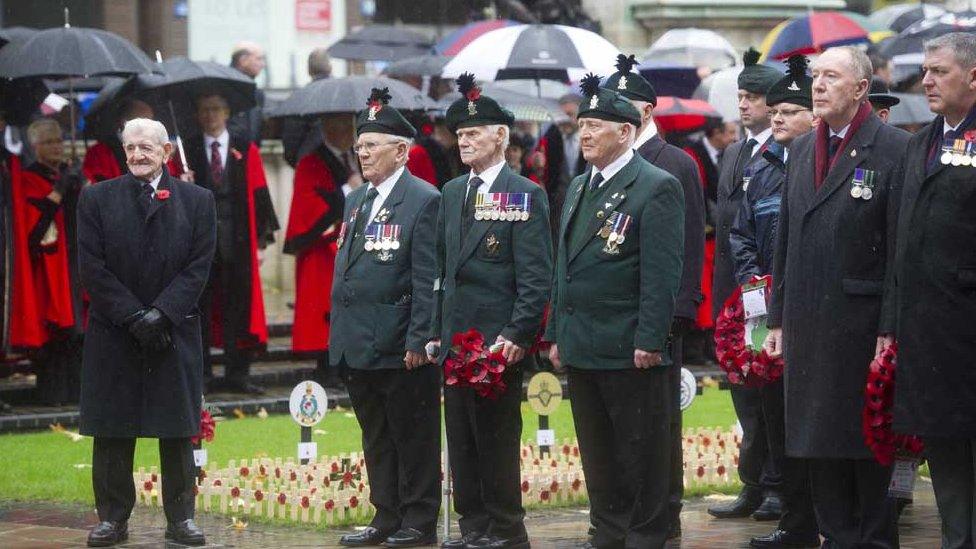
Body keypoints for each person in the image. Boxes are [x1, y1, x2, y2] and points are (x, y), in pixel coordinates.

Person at [763, 46, 910, 549]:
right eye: (816, 76)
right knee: (817, 444)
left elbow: (899, 252)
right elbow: (786, 240)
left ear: (861, 88)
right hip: (807, 323)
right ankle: (837, 536)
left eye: (831, 76)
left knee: (865, 447)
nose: (818, 86)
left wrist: (890, 328)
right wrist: (777, 320)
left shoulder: (893, 148)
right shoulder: (803, 148)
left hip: (861, 325)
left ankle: (873, 540)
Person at [546, 74, 684, 549]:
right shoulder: (579, 187)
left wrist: (651, 337)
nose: (584, 133)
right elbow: (563, 266)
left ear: (625, 132)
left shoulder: (655, 186)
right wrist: (556, 332)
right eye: (582, 124)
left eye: (596, 125)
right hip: (583, 340)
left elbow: (661, 273)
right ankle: (607, 529)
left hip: (628, 342)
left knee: (639, 448)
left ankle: (646, 532)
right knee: (598, 449)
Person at [77, 118, 216, 547]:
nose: (137, 155)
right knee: (113, 430)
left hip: (172, 331)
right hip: (115, 332)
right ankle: (112, 519)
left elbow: (198, 267)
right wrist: (135, 316)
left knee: (176, 429)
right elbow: (91, 268)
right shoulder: (97, 198)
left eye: (146, 148)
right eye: (130, 147)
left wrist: (162, 313)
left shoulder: (197, 200)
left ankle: (181, 519)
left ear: (166, 153)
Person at [430, 73, 552, 549]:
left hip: (497, 342)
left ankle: (505, 528)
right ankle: (472, 525)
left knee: (497, 440)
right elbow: (443, 268)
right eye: (459, 134)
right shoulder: (452, 192)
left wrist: (517, 335)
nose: (464, 140)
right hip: (456, 338)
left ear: (500, 136)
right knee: (461, 439)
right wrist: (436, 329)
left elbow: (535, 277)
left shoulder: (525, 193)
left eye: (474, 133)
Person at [329, 88, 441, 548]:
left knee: (411, 436)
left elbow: (428, 277)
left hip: (400, 343)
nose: (362, 152)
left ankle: (418, 520)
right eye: (360, 145)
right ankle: (386, 515)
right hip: (358, 341)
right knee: (376, 435)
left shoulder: (423, 199)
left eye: (372, 145)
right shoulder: (357, 200)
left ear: (401, 150)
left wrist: (421, 338)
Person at [602, 54, 705, 540]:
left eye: (625, 104)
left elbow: (686, 243)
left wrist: (680, 310)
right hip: (616, 310)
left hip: (659, 312)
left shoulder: (675, 162)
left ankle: (664, 510)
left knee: (659, 421)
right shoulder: (607, 163)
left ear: (646, 112)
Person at [728, 54, 820, 549]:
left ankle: (821, 517)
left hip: (809, 314)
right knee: (773, 415)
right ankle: (793, 517)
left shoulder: (818, 165)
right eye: (776, 111)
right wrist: (752, 286)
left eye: (789, 111)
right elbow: (740, 232)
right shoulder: (761, 167)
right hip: (766, 312)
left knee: (809, 421)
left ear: (813, 117)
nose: (778, 119)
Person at [890, 32, 976, 549]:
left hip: (968, 323)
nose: (925, 81)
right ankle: (957, 538)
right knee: (943, 444)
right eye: (924, 70)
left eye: (939, 71)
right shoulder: (920, 140)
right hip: (928, 330)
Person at [708, 47, 784, 523]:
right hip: (734, 293)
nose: (744, 105)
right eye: (741, 96)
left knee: (772, 394)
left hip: (769, 289)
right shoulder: (734, 152)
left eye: (754, 97)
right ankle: (753, 483)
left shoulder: (783, 152)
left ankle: (778, 484)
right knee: (743, 392)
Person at [184, 93, 279, 394]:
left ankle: (238, 374)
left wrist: (261, 243)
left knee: (239, 308)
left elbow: (261, 195)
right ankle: (203, 377)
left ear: (227, 113)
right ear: (198, 115)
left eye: (216, 109)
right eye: (205, 110)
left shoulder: (245, 148)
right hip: (200, 244)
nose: (211, 115)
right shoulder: (187, 151)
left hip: (238, 242)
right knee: (200, 308)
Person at [8, 118, 85, 406]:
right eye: (49, 142)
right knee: (54, 332)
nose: (56, 147)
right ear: (35, 146)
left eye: (59, 141)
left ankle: (77, 394)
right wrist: (59, 191)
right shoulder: (29, 178)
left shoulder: (68, 174)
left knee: (78, 332)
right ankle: (53, 394)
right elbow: (34, 232)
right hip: (49, 267)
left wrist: (80, 186)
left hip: (75, 261)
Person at [285, 113, 357, 388]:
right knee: (325, 310)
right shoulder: (312, 161)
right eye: (336, 125)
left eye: (347, 125)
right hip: (322, 249)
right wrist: (345, 192)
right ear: (326, 128)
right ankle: (328, 369)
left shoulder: (357, 158)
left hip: (352, 247)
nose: (343, 131)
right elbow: (309, 204)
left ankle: (348, 367)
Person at [682, 117, 738, 363]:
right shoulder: (693, 154)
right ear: (715, 133)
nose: (734, 138)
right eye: (730, 132)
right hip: (701, 234)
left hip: (716, 234)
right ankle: (698, 347)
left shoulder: (724, 154)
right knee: (702, 292)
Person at [82, 98, 156, 183]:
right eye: (145, 123)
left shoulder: (155, 150)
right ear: (125, 121)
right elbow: (101, 187)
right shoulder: (99, 152)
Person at [282, 48, 333, 168]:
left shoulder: (299, 98)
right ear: (330, 68)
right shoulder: (342, 94)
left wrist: (299, 164)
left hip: (310, 165)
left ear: (309, 70)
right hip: (342, 168)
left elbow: (291, 141)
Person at [228, 41, 266, 146]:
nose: (263, 65)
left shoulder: (257, 93)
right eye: (259, 59)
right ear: (243, 60)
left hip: (251, 155)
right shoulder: (225, 88)